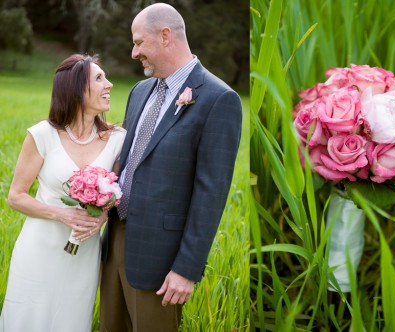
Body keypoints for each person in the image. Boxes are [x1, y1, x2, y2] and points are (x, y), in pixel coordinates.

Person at [99, 3, 242, 331]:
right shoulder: (140, 92)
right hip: (115, 241)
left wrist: (187, 269)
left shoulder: (219, 99)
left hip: (162, 260)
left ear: (165, 36)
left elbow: (211, 193)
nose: (134, 53)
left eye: (139, 42)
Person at [0, 54, 126, 332]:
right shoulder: (42, 134)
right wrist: (63, 215)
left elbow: (116, 196)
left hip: (84, 255)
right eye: (99, 78)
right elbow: (16, 196)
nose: (110, 84)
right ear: (77, 90)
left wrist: (101, 217)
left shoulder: (118, 139)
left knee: (71, 321)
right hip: (39, 249)